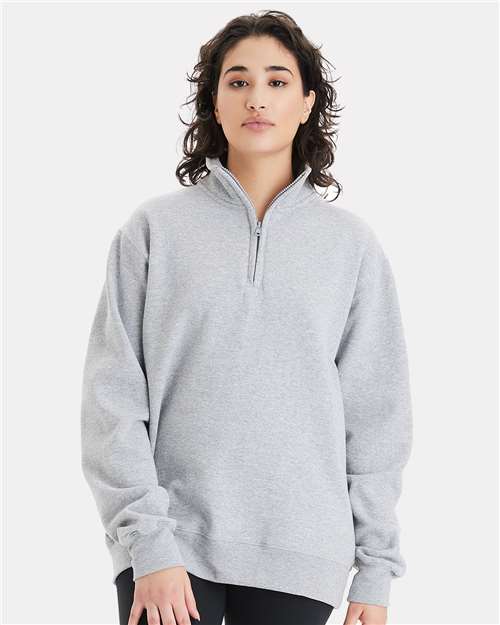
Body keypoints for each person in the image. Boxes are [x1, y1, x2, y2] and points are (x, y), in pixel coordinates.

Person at [80, 10, 413, 625]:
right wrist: (148, 543)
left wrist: (376, 568)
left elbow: (376, 419)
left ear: (308, 103)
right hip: (170, 544)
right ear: (214, 101)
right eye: (237, 81)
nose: (257, 97)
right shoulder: (154, 231)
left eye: (277, 81)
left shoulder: (351, 246)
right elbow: (113, 400)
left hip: (302, 551)